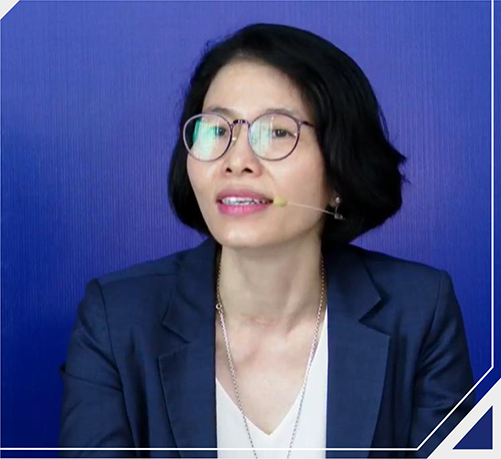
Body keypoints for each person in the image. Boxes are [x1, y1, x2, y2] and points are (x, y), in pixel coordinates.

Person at [59, 23, 475, 458]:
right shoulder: (117, 321)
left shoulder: (419, 312)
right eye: (216, 130)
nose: (236, 160)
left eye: (276, 132)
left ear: (339, 171)